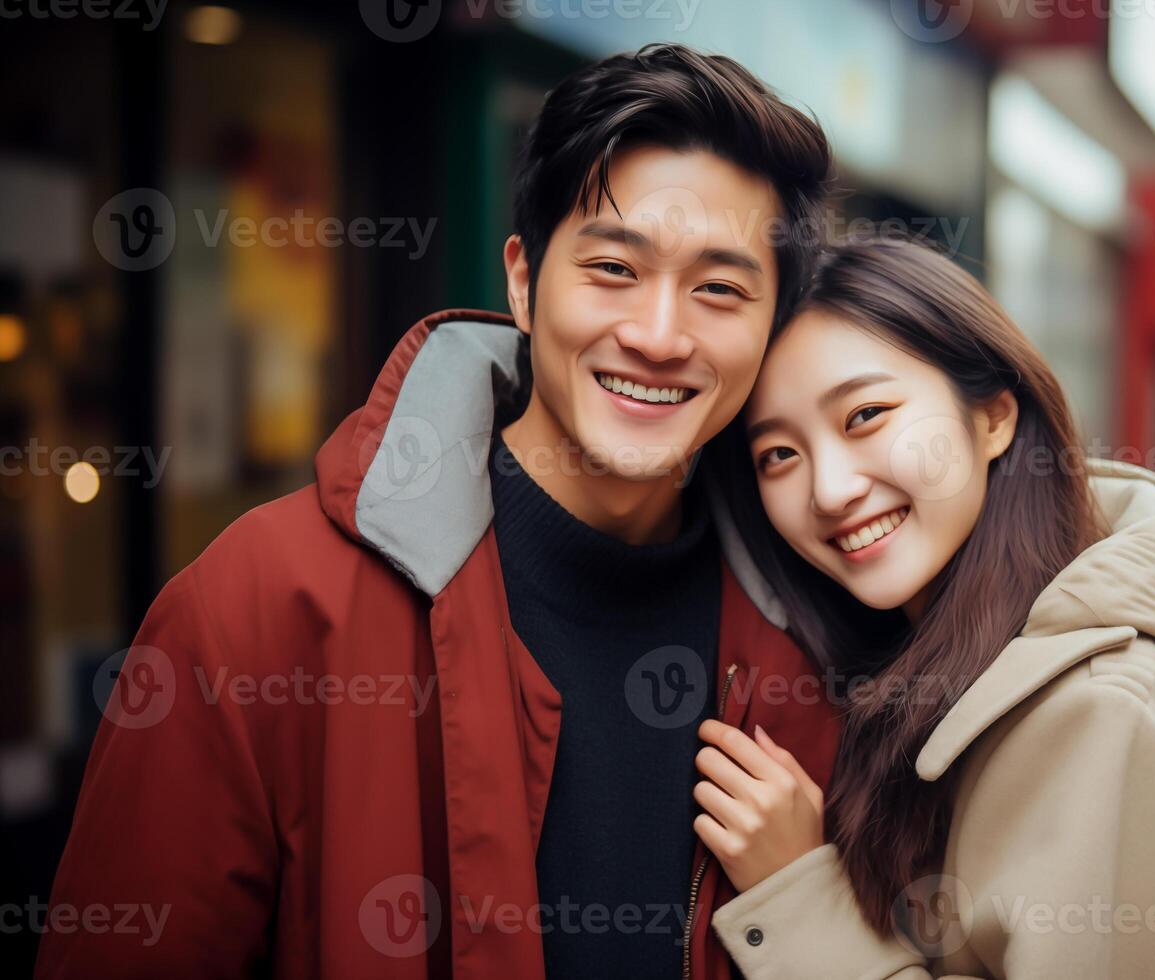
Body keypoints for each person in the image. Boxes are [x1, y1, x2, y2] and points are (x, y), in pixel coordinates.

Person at [38, 45, 839, 979]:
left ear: (773, 326)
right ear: (523, 282)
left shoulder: (819, 633)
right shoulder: (257, 611)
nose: (659, 336)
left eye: (719, 290)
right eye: (614, 269)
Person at [691, 238, 1155, 977]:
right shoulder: (929, 674)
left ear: (994, 418)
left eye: (866, 415)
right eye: (778, 455)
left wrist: (800, 896)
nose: (829, 489)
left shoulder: (1108, 712)